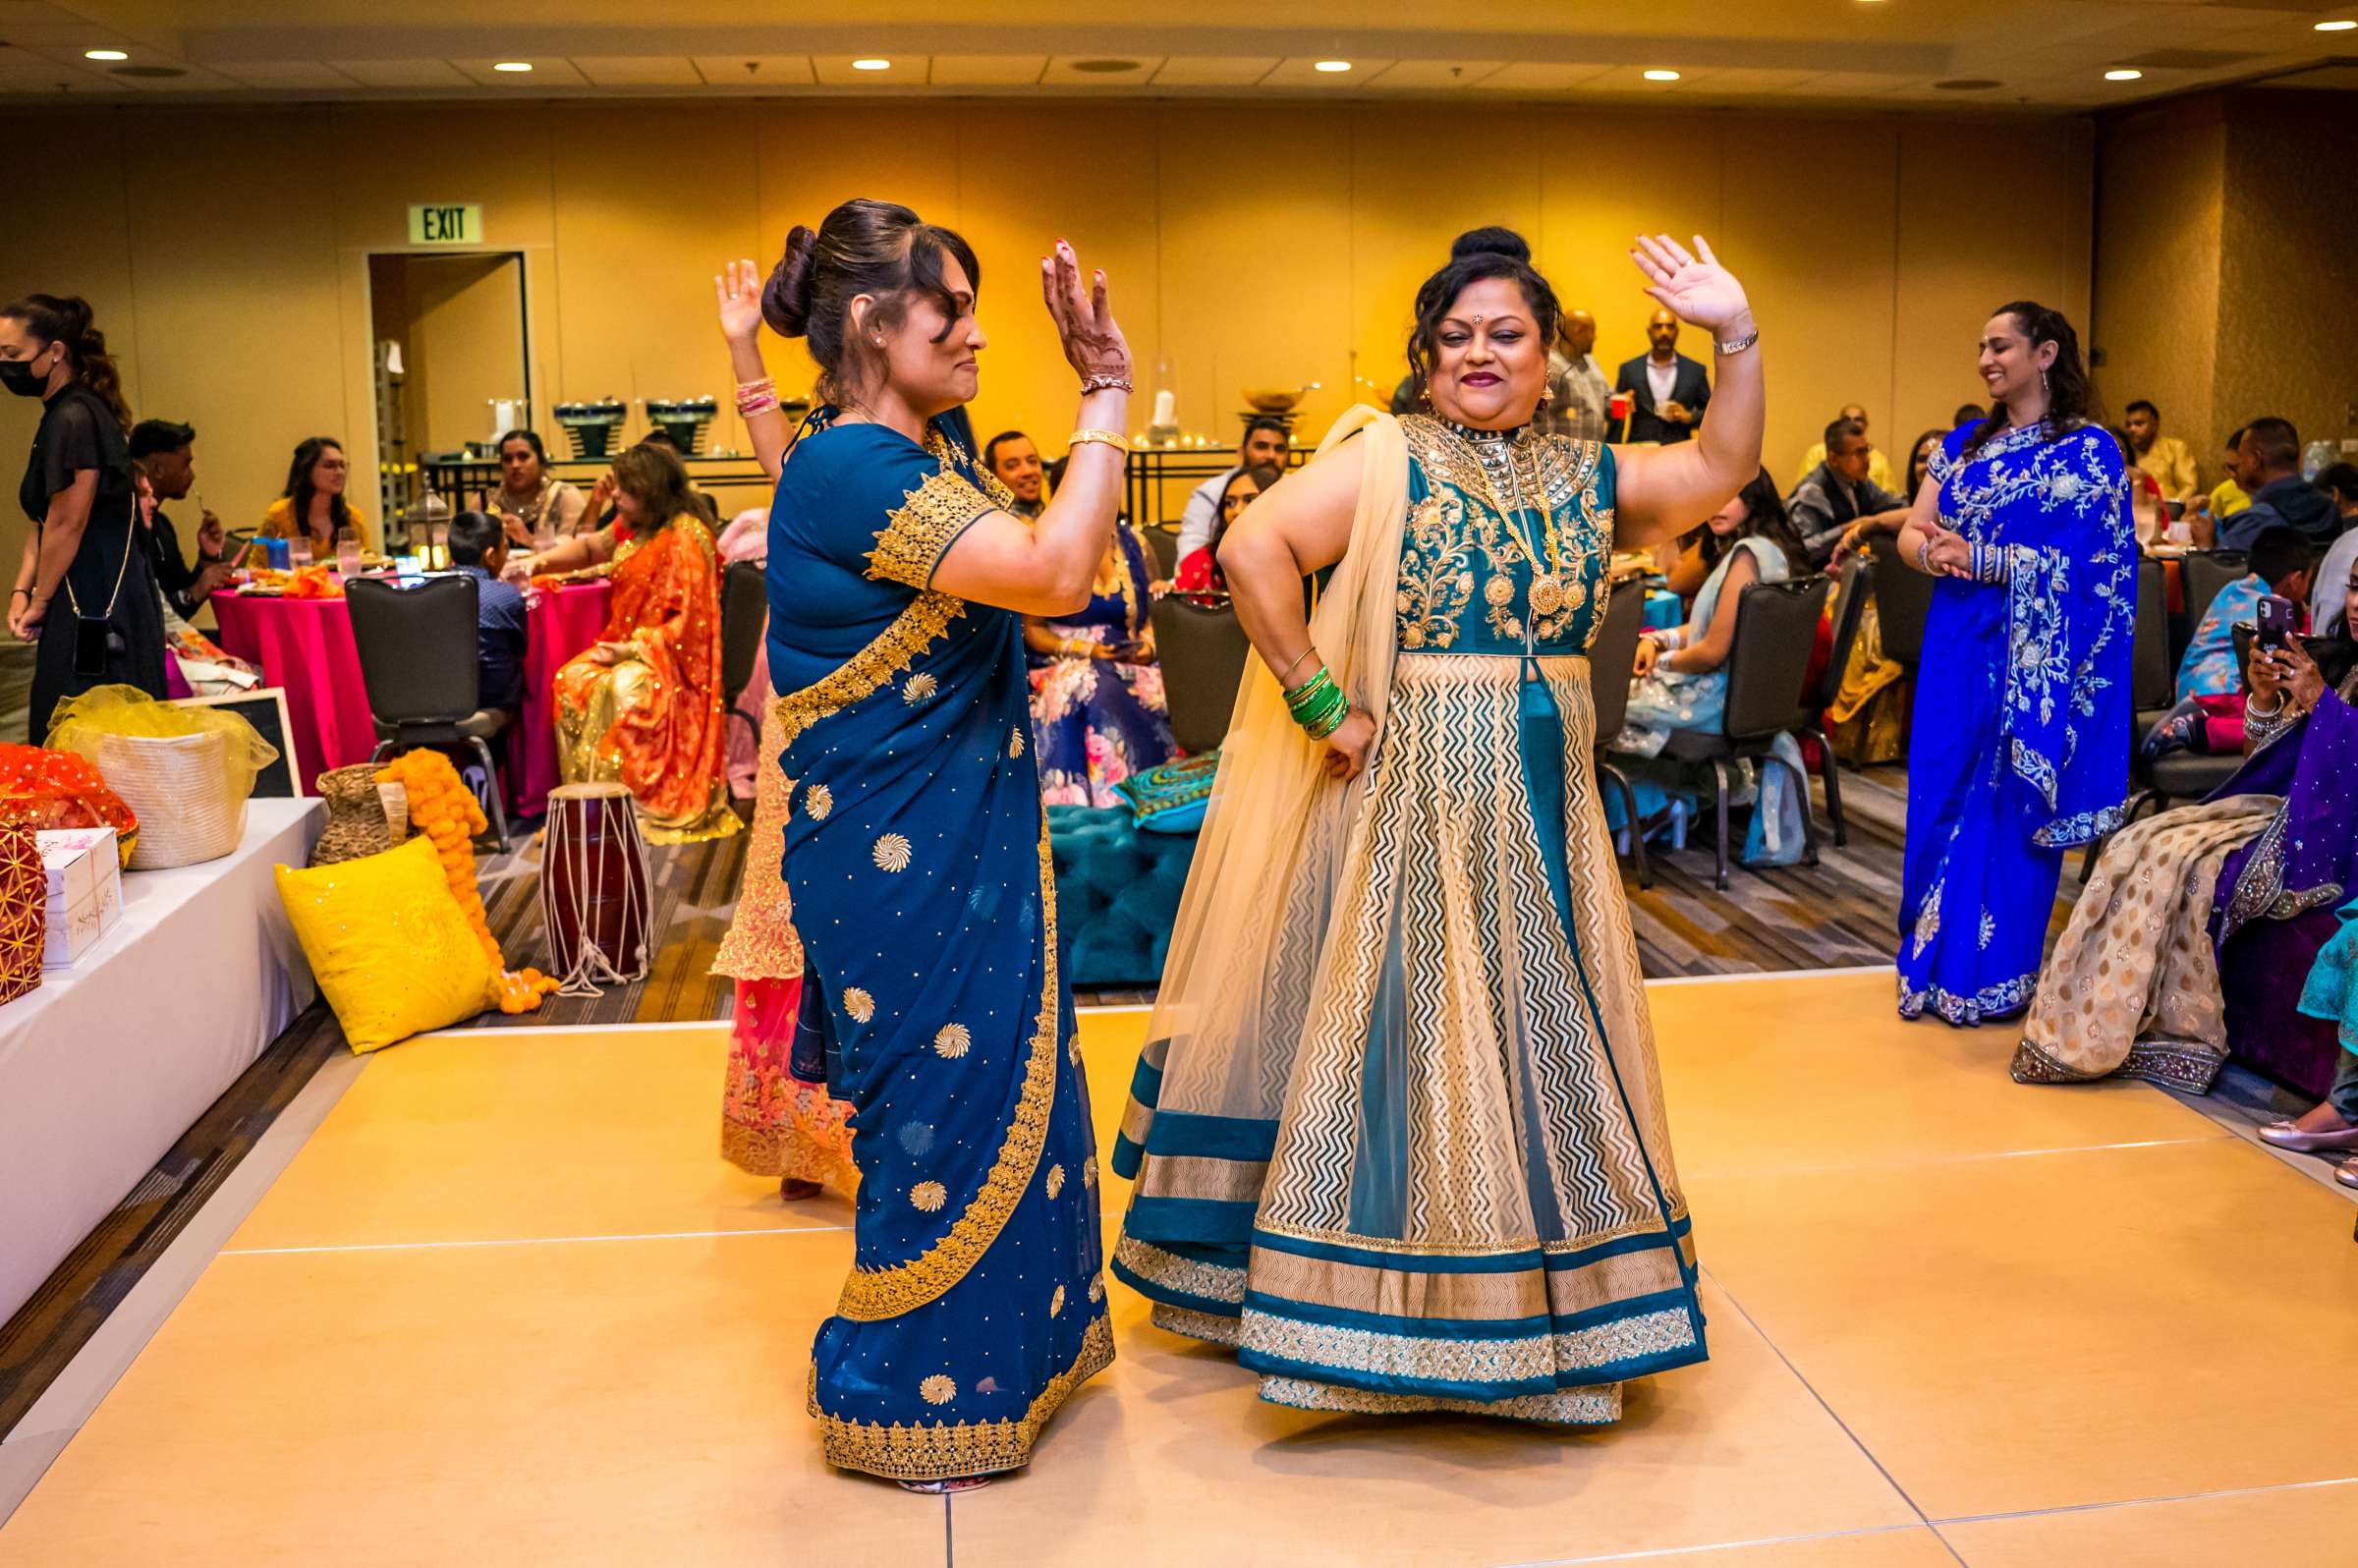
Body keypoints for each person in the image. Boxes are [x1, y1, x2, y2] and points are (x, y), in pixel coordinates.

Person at [1112, 226, 1765, 1427]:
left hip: (1547, 780)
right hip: (1425, 777)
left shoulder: (1587, 469)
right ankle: (1405, 1306)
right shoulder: (1389, 456)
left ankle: (1538, 1287)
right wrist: (1319, 697)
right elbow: (1252, 548)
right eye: (1456, 335)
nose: (1480, 353)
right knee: (1419, 1016)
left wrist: (1735, 333)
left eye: (1505, 334)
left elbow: (1722, 465)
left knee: (1539, 1017)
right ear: (1424, 355)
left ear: (1542, 355)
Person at [757, 201, 1126, 1489]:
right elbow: (1058, 572)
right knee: (942, 1107)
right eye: (949, 311)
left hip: (936, 843)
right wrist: (1108, 398)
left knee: (992, 1087)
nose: (976, 335)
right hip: (898, 854)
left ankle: (1010, 1363)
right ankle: (908, 1399)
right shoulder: (858, 465)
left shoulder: (883, 452)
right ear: (869, 321)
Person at [1891, 302, 2132, 1026]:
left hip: (2038, 655)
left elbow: (2100, 569)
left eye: (2000, 346)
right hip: (1959, 639)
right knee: (1940, 790)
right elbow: (1912, 528)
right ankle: (1926, 966)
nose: (1986, 360)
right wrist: (1931, 550)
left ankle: (1991, 975)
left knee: (2008, 801)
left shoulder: (2091, 452)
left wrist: (1991, 559)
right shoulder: (1965, 443)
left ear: (2047, 353)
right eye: (1981, 347)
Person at [2013, 597, 2358, 1098]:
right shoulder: (2341, 662)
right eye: (2353, 584)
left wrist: (2320, 701)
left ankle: (2168, 1034)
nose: (2356, 602)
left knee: (2190, 869)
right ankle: (2093, 1019)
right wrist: (2264, 698)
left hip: (2336, 840)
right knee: (2141, 841)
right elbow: (2267, 761)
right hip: (2290, 811)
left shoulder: (2328, 678)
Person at [706, 256, 845, 1205]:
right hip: (815, 722)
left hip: (872, 719)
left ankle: (842, 1136)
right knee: (797, 923)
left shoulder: (915, 450)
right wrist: (744, 347)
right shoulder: (832, 459)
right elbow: (781, 462)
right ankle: (799, 1136)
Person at [536, 440, 738, 842]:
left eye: (625, 489)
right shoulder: (638, 527)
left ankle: (629, 807)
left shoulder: (685, 537)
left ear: (650, 491)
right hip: (634, 648)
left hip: (671, 668)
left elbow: (692, 629)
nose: (615, 495)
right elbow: (595, 546)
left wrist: (630, 650)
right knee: (571, 678)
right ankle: (586, 808)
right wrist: (535, 564)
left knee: (622, 688)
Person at [3, 295, 166, 740]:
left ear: (54, 352)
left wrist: (39, 600)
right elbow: (43, 516)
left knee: (89, 742)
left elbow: (67, 523)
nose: (4, 365)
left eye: (12, 354)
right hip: (77, 595)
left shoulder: (75, 417)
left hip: (94, 605)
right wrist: (23, 588)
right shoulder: (62, 414)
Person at [1613, 467, 1807, 781]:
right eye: (1713, 495)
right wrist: (1657, 640)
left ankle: (1648, 814)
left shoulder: (1747, 557)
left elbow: (1711, 652)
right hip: (1744, 701)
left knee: (1601, 708)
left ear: (1753, 498)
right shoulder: (1766, 550)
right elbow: (1717, 626)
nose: (1717, 505)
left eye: (1730, 496)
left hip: (1716, 706)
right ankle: (1664, 810)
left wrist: (1658, 663)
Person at [1023, 506, 1175, 803]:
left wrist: (1148, 647)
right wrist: (1086, 650)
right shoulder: (1049, 548)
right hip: (1063, 660)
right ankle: (1091, 802)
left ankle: (1143, 793)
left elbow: (1153, 614)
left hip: (1130, 660)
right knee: (1085, 681)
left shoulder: (1135, 544)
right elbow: (1033, 629)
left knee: (1122, 683)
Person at [2176, 526, 2314, 700]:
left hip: (2186, 691)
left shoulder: (2231, 589)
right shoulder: (2278, 613)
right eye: (2309, 579)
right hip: (2226, 698)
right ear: (2295, 580)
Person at [126, 419, 231, 620]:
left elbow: (182, 600)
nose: (191, 475)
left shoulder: (163, 525)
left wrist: (206, 559)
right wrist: (197, 590)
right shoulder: (129, 531)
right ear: (157, 469)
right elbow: (146, 616)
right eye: (185, 465)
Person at [1786, 415, 1909, 568]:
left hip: (1850, 571)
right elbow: (1803, 550)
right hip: (1817, 579)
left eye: (1867, 450)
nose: (1867, 459)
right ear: (1833, 459)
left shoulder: (1859, 482)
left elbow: (1895, 505)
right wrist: (1848, 528)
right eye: (1859, 453)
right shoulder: (1812, 491)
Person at [442, 510, 528, 716]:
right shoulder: (506, 595)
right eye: (505, 549)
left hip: (431, 698)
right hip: (488, 700)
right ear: (490, 556)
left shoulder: (424, 590)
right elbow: (520, 649)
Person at [1173, 416, 1290, 563]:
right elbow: (1190, 559)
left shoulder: (1295, 490)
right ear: (1241, 452)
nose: (1271, 455)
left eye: (1279, 449)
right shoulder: (1210, 493)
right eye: (1261, 446)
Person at [2217, 417, 2337, 550]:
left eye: (2242, 457)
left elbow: (2220, 569)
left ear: (2255, 459)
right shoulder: (2330, 506)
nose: (2239, 466)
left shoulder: (2256, 520)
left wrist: (2205, 544)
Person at [1171, 463, 1274, 599]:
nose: (1236, 511)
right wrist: (1166, 595)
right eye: (1229, 503)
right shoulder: (1201, 561)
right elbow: (1182, 610)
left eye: (1249, 500)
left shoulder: (1296, 559)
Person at [1614, 307, 1710, 443]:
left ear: (1677, 332)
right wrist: (1612, 453)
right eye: (1658, 326)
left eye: (1670, 327)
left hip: (1679, 454)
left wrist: (1689, 416)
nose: (1664, 332)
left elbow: (1711, 413)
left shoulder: (1695, 371)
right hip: (1638, 453)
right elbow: (1617, 415)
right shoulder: (1629, 370)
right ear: (1649, 332)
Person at [260, 436, 366, 555]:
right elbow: (257, 568)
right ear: (306, 470)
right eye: (329, 465)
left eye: (342, 466)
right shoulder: (279, 516)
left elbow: (368, 563)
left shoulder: (353, 517)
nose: (340, 472)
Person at [491, 428, 589, 545]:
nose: (515, 465)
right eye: (508, 459)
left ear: (540, 460)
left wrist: (530, 541)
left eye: (523, 457)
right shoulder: (487, 501)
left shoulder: (565, 496)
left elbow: (577, 547)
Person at [1538, 308, 1610, 442]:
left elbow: (1606, 398)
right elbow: (1543, 420)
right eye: (1591, 331)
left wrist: (1618, 400)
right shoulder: (1552, 368)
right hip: (1564, 458)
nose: (1595, 337)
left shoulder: (1591, 361)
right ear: (1577, 331)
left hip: (1593, 454)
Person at [1791, 404, 1897, 493]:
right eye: (1847, 419)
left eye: (1858, 419)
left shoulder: (1877, 463)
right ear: (1833, 458)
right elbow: (1804, 489)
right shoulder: (1816, 452)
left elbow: (1889, 498)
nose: (1852, 422)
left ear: (1866, 424)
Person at [2309, 463, 2358, 637]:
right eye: (2354, 587)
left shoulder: (2344, 545)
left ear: (2335, 494)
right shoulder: (2344, 543)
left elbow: (2323, 629)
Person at [2120, 399, 2199, 504]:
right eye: (2128, 425)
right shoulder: (2124, 452)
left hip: (2172, 512)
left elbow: (2189, 486)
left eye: (2139, 424)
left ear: (2154, 425)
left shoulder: (2175, 448)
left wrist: (2171, 508)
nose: (2132, 429)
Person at [982, 429, 1048, 518]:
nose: (1028, 471)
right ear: (992, 476)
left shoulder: (1055, 516)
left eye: (1032, 461)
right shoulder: (991, 525)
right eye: (1012, 465)